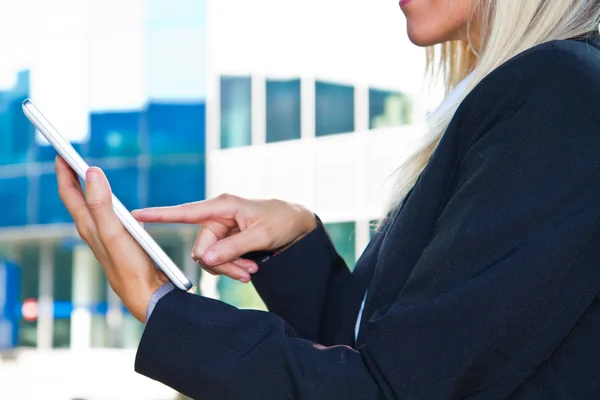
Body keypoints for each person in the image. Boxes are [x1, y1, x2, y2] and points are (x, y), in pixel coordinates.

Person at [56, 0, 600, 398]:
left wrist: (157, 303)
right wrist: (299, 246)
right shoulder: (546, 90)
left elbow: (389, 392)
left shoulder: (558, 91)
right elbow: (395, 359)